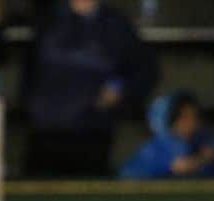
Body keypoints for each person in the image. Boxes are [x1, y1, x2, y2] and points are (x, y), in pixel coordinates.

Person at [22, 0, 157, 177]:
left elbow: (145, 69)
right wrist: (30, 106)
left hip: (92, 133)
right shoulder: (49, 17)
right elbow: (29, 70)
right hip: (45, 132)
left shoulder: (115, 23)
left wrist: (121, 92)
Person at [119, 90, 214, 179]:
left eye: (194, 116)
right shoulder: (157, 146)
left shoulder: (202, 138)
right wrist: (203, 158)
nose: (192, 122)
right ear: (168, 121)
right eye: (184, 117)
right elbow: (181, 166)